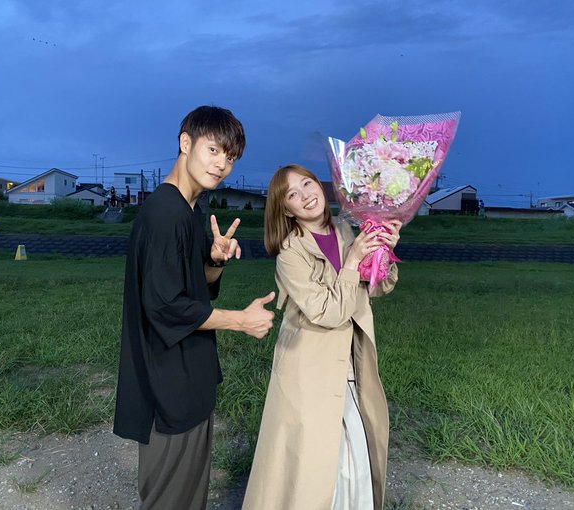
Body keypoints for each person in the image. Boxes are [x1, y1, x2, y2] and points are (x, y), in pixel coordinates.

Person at [113, 105, 275, 510]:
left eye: (230, 158)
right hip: (167, 383)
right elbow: (166, 306)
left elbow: (194, 289)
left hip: (188, 377)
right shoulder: (165, 213)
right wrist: (240, 321)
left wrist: (214, 261)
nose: (222, 165)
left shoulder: (188, 210)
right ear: (186, 143)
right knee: (170, 498)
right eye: (213, 150)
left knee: (188, 496)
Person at [243, 164, 401, 510]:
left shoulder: (345, 229)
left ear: (320, 184)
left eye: (307, 183)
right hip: (309, 367)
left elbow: (376, 287)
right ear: (287, 210)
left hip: (350, 361)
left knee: (353, 455)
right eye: (292, 194)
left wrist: (383, 251)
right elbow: (328, 312)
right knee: (313, 463)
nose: (305, 195)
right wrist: (353, 260)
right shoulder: (290, 253)